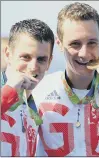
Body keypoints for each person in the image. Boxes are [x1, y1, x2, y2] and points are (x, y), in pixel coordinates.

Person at [32, 2, 99, 156]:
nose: (84, 54)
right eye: (75, 44)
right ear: (59, 43)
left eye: (92, 43)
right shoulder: (37, 91)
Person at [1, 19, 54, 156]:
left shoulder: (37, 104)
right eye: (25, 57)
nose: (33, 67)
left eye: (41, 59)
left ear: (49, 62)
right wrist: (9, 90)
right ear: (8, 54)